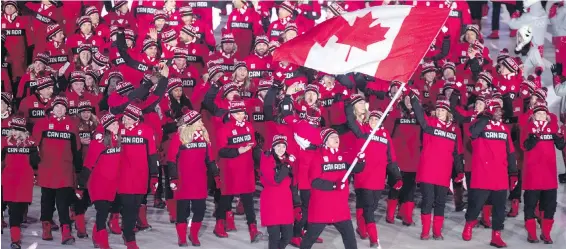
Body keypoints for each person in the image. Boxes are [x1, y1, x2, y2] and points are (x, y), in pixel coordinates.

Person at [462, 100, 519, 248]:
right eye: (496, 109)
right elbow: (472, 133)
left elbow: (511, 151)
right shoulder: (479, 123)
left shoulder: (504, 128)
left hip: (500, 174)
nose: (499, 113)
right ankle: (468, 225)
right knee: (476, 204)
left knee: (500, 207)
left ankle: (496, 236)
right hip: (482, 173)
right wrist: (486, 116)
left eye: (500, 110)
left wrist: (513, 172)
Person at [409, 91, 464, 240]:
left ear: (447, 112)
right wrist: (414, 98)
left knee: (440, 202)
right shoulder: (429, 124)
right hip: (428, 170)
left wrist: (459, 171)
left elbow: (456, 153)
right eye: (438, 109)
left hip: (444, 172)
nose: (439, 112)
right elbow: (420, 115)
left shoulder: (453, 130)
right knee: (428, 200)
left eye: (443, 110)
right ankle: (425, 231)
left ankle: (437, 231)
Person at [300, 128, 365, 249]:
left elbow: (357, 168)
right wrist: (334, 185)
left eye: (337, 136)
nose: (336, 139)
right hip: (321, 208)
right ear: (325, 141)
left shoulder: (344, 155)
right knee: (310, 238)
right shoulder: (317, 157)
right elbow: (314, 182)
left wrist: (361, 160)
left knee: (350, 239)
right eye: (332, 137)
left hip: (340, 208)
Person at [167, 109, 220, 247]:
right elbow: (171, 160)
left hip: (199, 181)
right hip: (183, 181)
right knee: (182, 211)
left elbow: (210, 160)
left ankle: (193, 234)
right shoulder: (179, 137)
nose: (201, 122)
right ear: (191, 123)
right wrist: (173, 178)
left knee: (200, 210)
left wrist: (216, 176)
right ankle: (182, 238)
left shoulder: (204, 136)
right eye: (198, 120)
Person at [33, 95, 81, 244]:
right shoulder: (42, 123)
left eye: (63, 107)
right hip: (46, 170)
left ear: (66, 109)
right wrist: (35, 168)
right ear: (52, 108)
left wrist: (77, 170)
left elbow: (77, 149)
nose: (60, 110)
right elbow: (34, 147)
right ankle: (46, 228)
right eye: (57, 106)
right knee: (46, 201)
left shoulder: (71, 125)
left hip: (64, 171)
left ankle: (65, 231)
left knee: (63, 203)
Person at [214, 98, 262, 242]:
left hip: (246, 168)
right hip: (230, 169)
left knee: (248, 200)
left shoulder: (249, 126)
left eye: (242, 112)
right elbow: (221, 151)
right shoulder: (224, 129)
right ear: (231, 114)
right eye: (238, 113)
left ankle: (253, 228)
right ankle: (219, 224)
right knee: (226, 199)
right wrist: (238, 151)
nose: (241, 115)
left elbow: (252, 145)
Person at [76, 112, 121, 249]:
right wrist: (80, 185)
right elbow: (88, 164)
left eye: (117, 123)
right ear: (106, 127)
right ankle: (103, 242)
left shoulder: (119, 139)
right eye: (113, 124)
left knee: (107, 210)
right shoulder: (98, 142)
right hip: (98, 183)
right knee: (102, 211)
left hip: (113, 182)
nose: (116, 126)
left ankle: (97, 235)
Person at [118, 102, 159, 249]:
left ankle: (127, 227)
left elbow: (152, 155)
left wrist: (154, 175)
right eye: (125, 117)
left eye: (130, 118)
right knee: (128, 207)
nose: (126, 120)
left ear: (136, 119)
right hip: (123, 176)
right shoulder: (118, 129)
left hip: (141, 176)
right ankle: (129, 237)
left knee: (135, 206)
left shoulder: (147, 130)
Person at [521, 101, 564, 244]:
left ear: (547, 116)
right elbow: (524, 146)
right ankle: (531, 233)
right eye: (538, 114)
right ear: (533, 116)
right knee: (530, 205)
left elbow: (560, 146)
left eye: (543, 114)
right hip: (532, 174)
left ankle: (546, 233)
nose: (541, 116)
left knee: (550, 206)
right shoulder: (527, 127)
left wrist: (559, 137)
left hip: (549, 174)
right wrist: (534, 137)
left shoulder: (552, 129)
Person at [1, 115, 40, 249]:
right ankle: (15, 239)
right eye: (14, 129)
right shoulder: (4, 142)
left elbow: (35, 162)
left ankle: (15, 235)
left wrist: (35, 150)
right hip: (9, 179)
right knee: (14, 210)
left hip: (24, 180)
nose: (16, 132)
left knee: (21, 207)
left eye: (19, 129)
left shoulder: (31, 143)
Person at [260, 135, 297, 249]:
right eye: (278, 146)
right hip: (272, 202)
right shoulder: (267, 159)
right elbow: (275, 180)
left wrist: (297, 203)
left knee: (288, 235)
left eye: (283, 146)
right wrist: (287, 165)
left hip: (285, 202)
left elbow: (293, 182)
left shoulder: (287, 159)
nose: (281, 149)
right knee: (274, 237)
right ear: (273, 147)